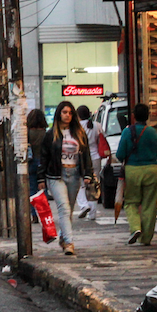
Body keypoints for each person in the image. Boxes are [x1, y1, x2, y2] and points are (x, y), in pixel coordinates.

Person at [38, 101, 93, 256]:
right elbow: (44, 157)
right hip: (56, 175)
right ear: (59, 114)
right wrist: (40, 179)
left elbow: (86, 154)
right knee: (63, 207)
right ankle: (69, 242)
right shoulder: (51, 134)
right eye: (64, 112)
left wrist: (88, 173)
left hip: (74, 173)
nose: (67, 115)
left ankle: (63, 237)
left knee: (68, 210)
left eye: (70, 112)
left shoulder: (79, 133)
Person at [117, 103, 157, 247]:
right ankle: (146, 238)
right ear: (148, 116)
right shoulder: (153, 132)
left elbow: (119, 154)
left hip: (133, 170)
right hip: (152, 170)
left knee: (131, 202)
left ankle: (136, 227)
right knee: (149, 204)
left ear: (133, 116)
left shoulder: (127, 132)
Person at [75, 105, 104, 220]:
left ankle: (84, 205)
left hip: (81, 158)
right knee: (93, 185)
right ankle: (92, 214)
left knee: (80, 184)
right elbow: (102, 139)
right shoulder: (97, 125)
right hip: (96, 157)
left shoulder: (77, 127)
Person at [25, 109, 47, 219]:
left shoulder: (27, 132)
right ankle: (43, 213)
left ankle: (34, 214)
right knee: (43, 190)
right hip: (42, 163)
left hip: (31, 162)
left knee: (32, 189)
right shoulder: (45, 133)